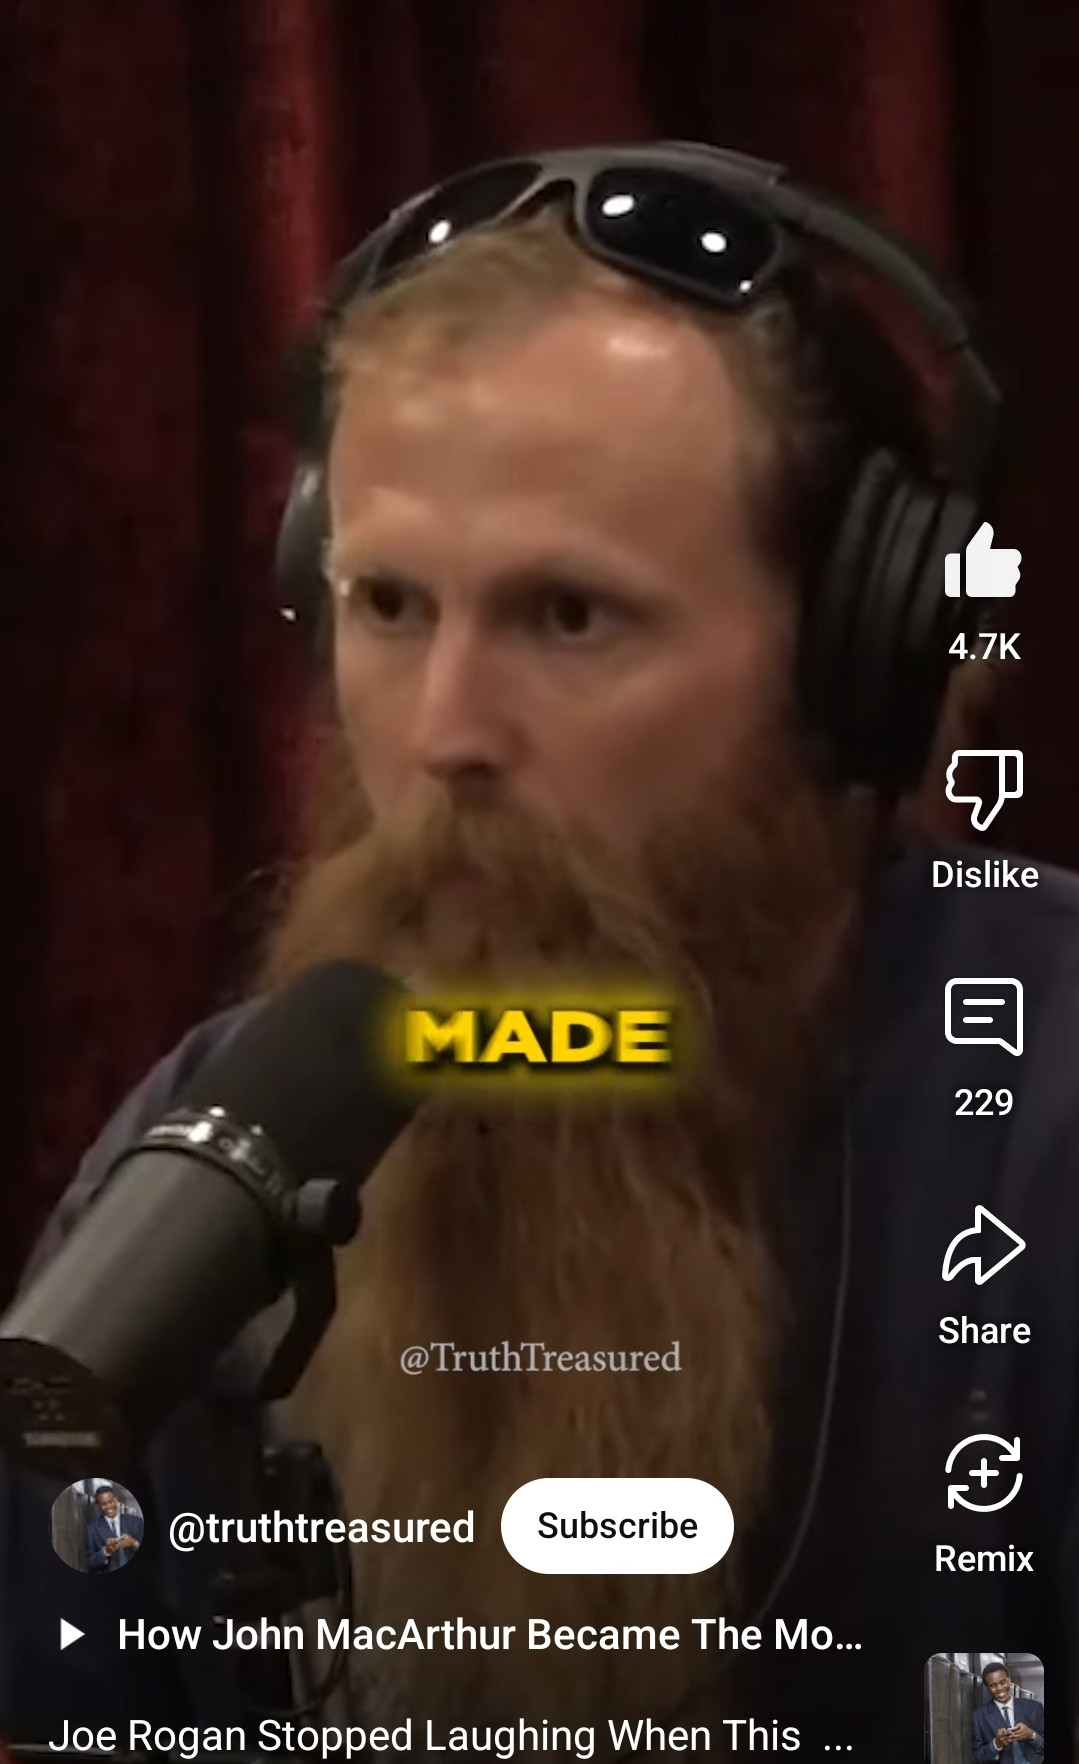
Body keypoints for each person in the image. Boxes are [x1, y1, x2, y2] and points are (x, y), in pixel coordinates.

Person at [2, 142, 1077, 1758]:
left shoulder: (1040, 1119)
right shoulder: (213, 1164)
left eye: (567, 615)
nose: (443, 735)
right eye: (386, 605)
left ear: (856, 664)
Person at [973, 1663, 1045, 1761]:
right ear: (987, 1688)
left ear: (1009, 1680)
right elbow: (976, 1758)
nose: (999, 1688)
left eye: (1003, 1682)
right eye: (993, 1685)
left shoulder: (1034, 1708)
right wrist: (996, 1745)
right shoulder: (979, 1717)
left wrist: (1031, 1735)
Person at [84, 1486, 142, 1573]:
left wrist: (133, 1543)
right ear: (98, 1505)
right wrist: (106, 1551)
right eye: (104, 1504)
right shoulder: (92, 1529)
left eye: (110, 1502)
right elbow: (90, 1563)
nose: (108, 1507)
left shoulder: (135, 1522)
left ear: (116, 1499)